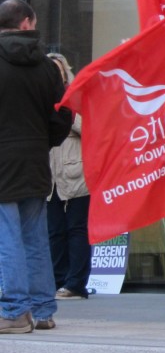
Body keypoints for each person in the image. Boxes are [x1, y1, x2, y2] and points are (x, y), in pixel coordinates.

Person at [0, 0, 72, 333]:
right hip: (35, 159)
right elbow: (63, 115)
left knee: (8, 237)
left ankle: (15, 312)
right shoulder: (47, 67)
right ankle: (43, 310)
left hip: (3, 160)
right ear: (27, 22)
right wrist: (44, 142)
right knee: (35, 237)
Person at [46, 53, 92, 301]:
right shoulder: (39, 97)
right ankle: (58, 280)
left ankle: (76, 284)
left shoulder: (77, 97)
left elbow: (90, 130)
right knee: (54, 231)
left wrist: (69, 114)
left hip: (77, 172)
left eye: (58, 69)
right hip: (50, 176)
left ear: (65, 72)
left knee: (77, 229)